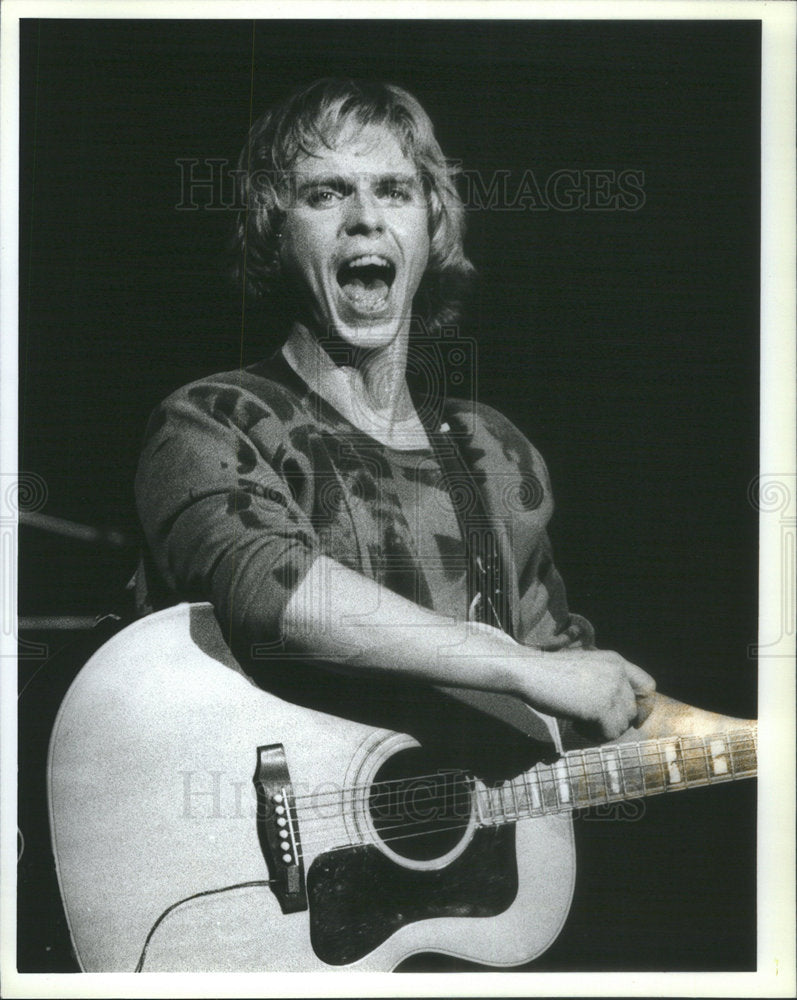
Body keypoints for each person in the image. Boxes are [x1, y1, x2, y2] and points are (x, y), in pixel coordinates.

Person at [135, 77, 741, 769]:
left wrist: (765, 746)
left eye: (393, 190)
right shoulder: (214, 420)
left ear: (431, 223)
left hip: (457, 873)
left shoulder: (492, 453)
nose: (365, 217)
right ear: (275, 232)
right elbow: (272, 593)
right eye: (326, 193)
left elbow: (579, 694)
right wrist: (511, 664)